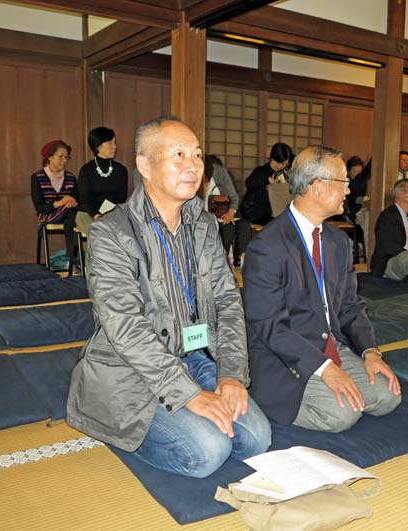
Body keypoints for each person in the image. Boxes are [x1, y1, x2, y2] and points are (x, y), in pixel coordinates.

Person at [67, 117, 271, 478]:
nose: (193, 165)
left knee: (256, 438)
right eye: (178, 154)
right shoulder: (110, 233)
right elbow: (125, 327)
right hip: (132, 370)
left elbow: (227, 301)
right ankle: (116, 426)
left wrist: (232, 374)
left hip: (194, 354)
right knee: (208, 452)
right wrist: (189, 396)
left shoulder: (204, 224)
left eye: (196, 154)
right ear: (145, 165)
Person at [243, 146, 402, 432]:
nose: (349, 191)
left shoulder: (337, 242)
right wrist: (324, 368)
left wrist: (370, 352)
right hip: (285, 354)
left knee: (388, 396)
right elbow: (270, 327)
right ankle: (269, 398)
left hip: (330, 342)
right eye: (344, 182)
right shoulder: (267, 246)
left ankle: (336, 380)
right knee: (341, 415)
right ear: (317, 187)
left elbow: (350, 306)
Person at [31, 140, 78, 263]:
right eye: (60, 157)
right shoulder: (37, 178)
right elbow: (39, 207)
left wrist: (71, 201)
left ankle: (72, 260)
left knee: (72, 215)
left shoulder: (71, 178)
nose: (64, 161)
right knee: (72, 212)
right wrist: (60, 202)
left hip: (68, 216)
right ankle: (73, 260)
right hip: (47, 215)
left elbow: (76, 199)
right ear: (50, 157)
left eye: (67, 157)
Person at [76, 127, 128, 235]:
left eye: (115, 143)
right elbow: (83, 199)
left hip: (113, 214)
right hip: (89, 214)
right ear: (98, 145)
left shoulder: (121, 170)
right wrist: (96, 215)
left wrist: (107, 214)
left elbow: (121, 198)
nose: (114, 147)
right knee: (98, 231)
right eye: (110, 143)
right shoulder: (86, 170)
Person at [370, 179, 408, 283]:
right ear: (400, 193)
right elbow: (388, 245)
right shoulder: (387, 216)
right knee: (406, 258)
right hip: (392, 261)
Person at [204, 154, 251, 267]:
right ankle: (222, 263)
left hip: (223, 212)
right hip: (205, 216)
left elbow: (234, 197)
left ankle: (242, 261)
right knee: (228, 228)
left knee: (242, 225)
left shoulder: (218, 172)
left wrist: (230, 213)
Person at [239, 142, 293, 225]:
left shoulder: (283, 174)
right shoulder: (261, 171)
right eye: (283, 164)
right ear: (274, 159)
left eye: (286, 164)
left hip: (274, 211)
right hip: (256, 212)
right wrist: (266, 180)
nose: (285, 167)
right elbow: (249, 183)